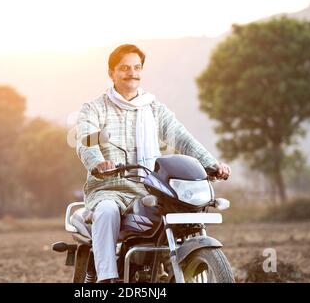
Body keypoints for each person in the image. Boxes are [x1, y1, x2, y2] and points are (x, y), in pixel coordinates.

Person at [75, 44, 231, 282]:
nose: (132, 73)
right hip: (109, 188)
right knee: (107, 211)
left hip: (150, 186)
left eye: (137, 67)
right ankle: (107, 278)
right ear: (111, 72)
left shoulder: (153, 108)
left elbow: (182, 137)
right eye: (124, 68)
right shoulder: (95, 109)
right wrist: (98, 162)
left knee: (181, 214)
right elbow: (86, 140)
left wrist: (211, 163)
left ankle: (170, 266)